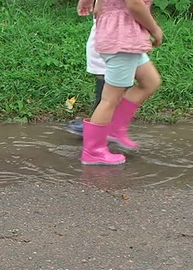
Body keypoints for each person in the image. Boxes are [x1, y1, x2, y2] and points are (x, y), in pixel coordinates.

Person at [77, 0, 163, 165]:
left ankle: (114, 130)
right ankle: (93, 151)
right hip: (122, 38)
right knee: (110, 99)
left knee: (150, 81)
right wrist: (155, 29)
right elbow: (134, 4)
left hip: (125, 35)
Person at [66, 5, 105, 136]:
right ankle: (97, 126)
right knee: (111, 90)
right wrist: (153, 28)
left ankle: (101, 125)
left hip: (115, 34)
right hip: (111, 36)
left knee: (148, 81)